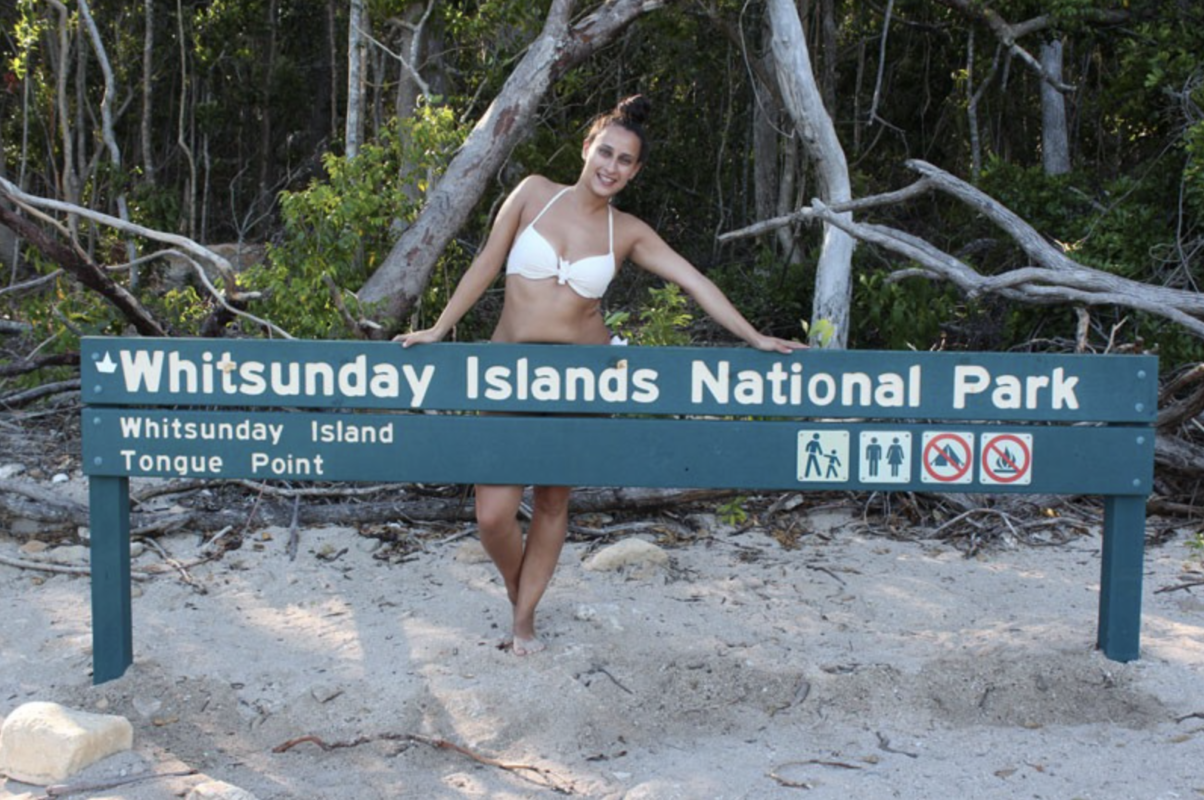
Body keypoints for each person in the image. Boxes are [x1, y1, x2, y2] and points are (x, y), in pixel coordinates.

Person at [396, 95, 805, 655]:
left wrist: (754, 336)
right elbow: (487, 262)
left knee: (552, 503)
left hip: (579, 383)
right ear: (587, 149)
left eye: (625, 161)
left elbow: (694, 281)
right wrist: (440, 328)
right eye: (605, 152)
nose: (611, 167)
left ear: (635, 172)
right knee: (492, 515)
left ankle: (524, 623)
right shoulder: (535, 194)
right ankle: (522, 595)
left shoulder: (628, 232)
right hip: (508, 375)